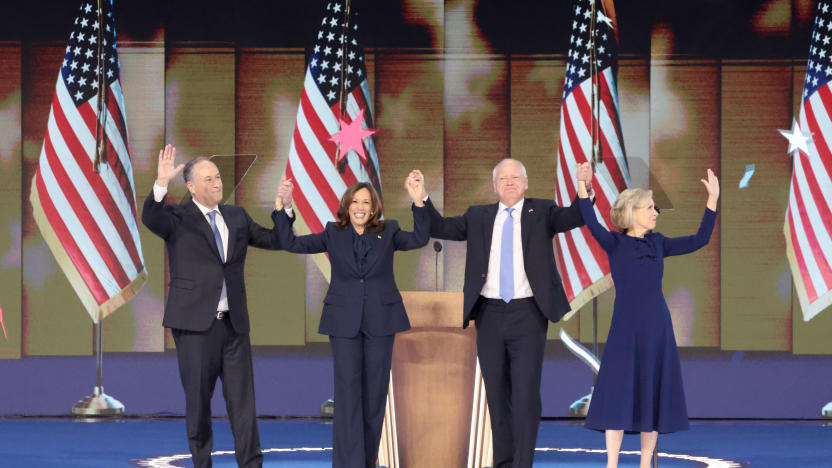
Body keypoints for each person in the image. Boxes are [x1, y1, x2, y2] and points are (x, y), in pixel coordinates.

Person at [421, 158, 591, 468]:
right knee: (497, 397)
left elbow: (576, 216)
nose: (509, 181)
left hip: (528, 313)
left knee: (525, 396)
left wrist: (582, 185)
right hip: (489, 313)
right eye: (503, 178)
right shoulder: (478, 216)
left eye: (516, 177)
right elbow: (441, 227)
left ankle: (521, 464)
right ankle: (503, 462)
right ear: (495, 185)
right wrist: (422, 199)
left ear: (526, 183)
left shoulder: (542, 211)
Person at [142, 145, 290, 468]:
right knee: (198, 403)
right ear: (192, 186)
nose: (217, 183)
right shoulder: (177, 217)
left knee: (243, 404)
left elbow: (275, 240)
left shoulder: (236, 216)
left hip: (233, 326)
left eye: (219, 177)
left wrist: (283, 212)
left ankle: (251, 464)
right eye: (208, 179)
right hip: (195, 327)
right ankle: (201, 463)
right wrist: (161, 183)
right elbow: (150, 216)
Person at [273, 171, 429, 468]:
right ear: (347, 206)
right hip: (343, 322)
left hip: (381, 322)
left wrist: (418, 200)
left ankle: (366, 462)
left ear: (374, 208)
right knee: (347, 396)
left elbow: (420, 237)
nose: (360, 206)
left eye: (366, 202)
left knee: (374, 397)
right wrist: (286, 208)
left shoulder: (390, 230)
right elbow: (291, 244)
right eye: (355, 201)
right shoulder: (333, 233)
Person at [576, 163, 720, 468]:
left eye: (655, 207)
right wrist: (582, 186)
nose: (655, 212)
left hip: (657, 328)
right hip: (625, 330)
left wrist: (712, 202)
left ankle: (645, 464)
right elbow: (590, 219)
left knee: (651, 392)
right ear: (632, 211)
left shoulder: (658, 243)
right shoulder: (615, 243)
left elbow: (699, 239)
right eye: (649, 207)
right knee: (617, 394)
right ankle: (611, 464)